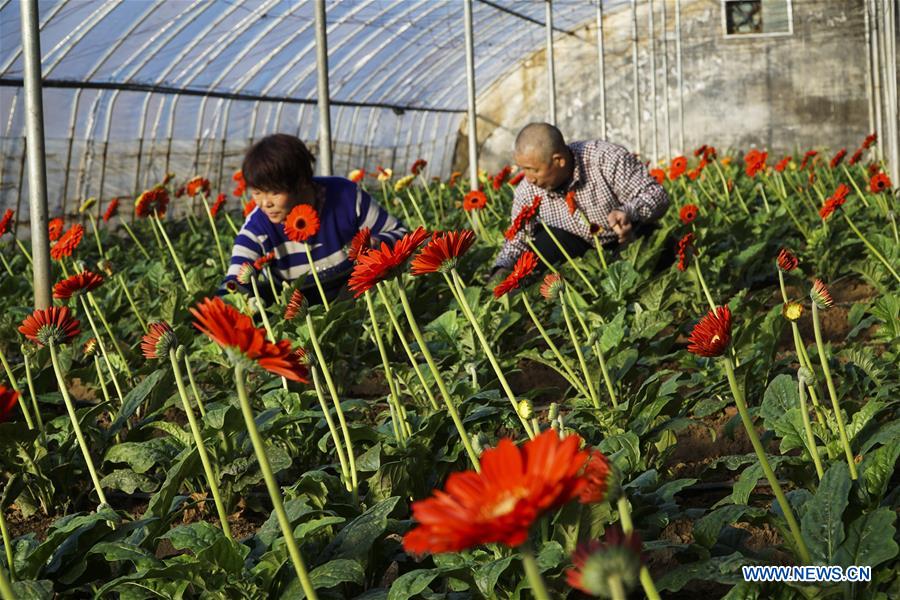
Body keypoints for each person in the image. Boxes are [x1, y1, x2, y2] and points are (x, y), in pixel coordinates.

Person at [222, 133, 406, 304]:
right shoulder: (258, 226)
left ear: (302, 181)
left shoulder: (346, 196)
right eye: (257, 192)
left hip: (362, 297)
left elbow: (401, 234)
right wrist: (227, 298)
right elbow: (234, 281)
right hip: (303, 311)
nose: (264, 203)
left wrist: (375, 243)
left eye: (275, 192)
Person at [491, 123, 670, 279]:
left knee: (664, 252)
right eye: (523, 169)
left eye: (533, 170)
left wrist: (628, 211)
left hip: (628, 239)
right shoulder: (528, 190)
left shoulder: (604, 159)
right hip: (582, 257)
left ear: (558, 160)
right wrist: (501, 270)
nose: (528, 178)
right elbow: (518, 238)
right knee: (541, 246)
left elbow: (656, 195)